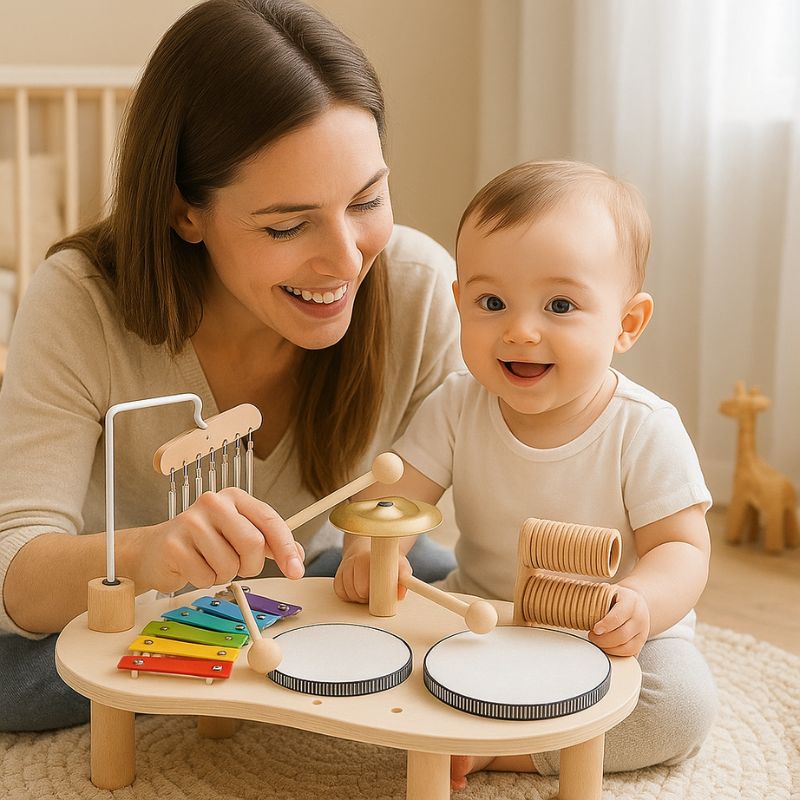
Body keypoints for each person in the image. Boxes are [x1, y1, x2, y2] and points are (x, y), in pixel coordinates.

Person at [0, 0, 461, 732]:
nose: (346, 260)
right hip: (128, 607)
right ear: (187, 213)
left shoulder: (421, 288)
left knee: (440, 585)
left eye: (368, 200)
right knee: (15, 682)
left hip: (307, 576)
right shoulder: (81, 300)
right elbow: (17, 576)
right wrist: (150, 553)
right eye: (287, 224)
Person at [334, 160, 718, 788]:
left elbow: (681, 547)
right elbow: (396, 497)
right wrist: (375, 550)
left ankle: (504, 751)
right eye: (492, 302)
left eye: (560, 305)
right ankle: (478, 708)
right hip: (484, 610)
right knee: (371, 634)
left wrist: (642, 604)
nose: (520, 330)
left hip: (615, 634)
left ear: (627, 324)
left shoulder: (644, 428)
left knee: (678, 707)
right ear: (460, 302)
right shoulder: (457, 403)